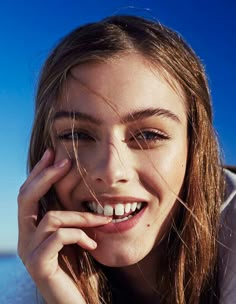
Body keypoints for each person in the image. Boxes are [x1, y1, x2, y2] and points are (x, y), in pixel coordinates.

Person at [17, 15, 236, 303]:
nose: (110, 171)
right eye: (77, 135)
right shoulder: (36, 283)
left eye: (148, 135)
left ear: (195, 148)